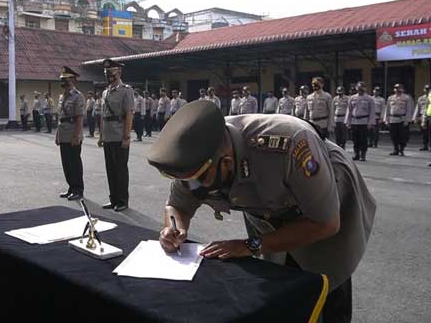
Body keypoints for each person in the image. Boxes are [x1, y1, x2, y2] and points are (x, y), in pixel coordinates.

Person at [147, 101, 376, 323]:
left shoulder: (289, 144)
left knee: (327, 278)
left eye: (197, 182)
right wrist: (173, 228)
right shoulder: (195, 159)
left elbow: (325, 223)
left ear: (226, 163)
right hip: (266, 206)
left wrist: (249, 246)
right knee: (278, 283)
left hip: (323, 190)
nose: (193, 187)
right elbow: (178, 206)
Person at [98, 59, 134, 212]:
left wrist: (126, 137)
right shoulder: (106, 92)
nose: (108, 75)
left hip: (119, 135)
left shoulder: (126, 90)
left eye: (111, 72)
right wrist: (101, 136)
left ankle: (122, 201)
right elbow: (102, 116)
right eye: (107, 72)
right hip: (108, 135)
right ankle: (113, 199)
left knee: (120, 169)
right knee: (110, 169)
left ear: (119, 72)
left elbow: (129, 114)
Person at [55, 66, 85, 201]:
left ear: (72, 80)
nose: (64, 82)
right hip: (63, 133)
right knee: (66, 163)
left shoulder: (78, 96)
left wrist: (77, 135)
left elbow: (79, 118)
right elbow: (60, 117)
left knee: (74, 163)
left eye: (66, 79)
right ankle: (71, 188)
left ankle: (78, 189)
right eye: (62, 80)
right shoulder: (62, 96)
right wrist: (57, 134)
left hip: (73, 133)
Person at [345, 82, 375, 162]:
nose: (360, 90)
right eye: (359, 89)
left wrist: (370, 123)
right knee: (355, 139)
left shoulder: (369, 98)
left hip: (364, 122)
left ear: (365, 89)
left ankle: (363, 155)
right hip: (354, 121)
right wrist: (348, 122)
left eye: (362, 89)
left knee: (363, 139)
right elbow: (349, 111)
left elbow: (372, 112)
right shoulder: (352, 98)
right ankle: (356, 154)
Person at [384, 84, 414, 156]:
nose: (397, 89)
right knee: (393, 135)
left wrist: (407, 120)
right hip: (393, 119)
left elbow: (409, 109)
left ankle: (402, 148)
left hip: (402, 119)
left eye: (399, 88)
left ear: (402, 89)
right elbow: (387, 109)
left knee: (403, 136)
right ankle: (396, 149)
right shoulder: (390, 98)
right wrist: (386, 119)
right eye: (396, 88)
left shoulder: (407, 98)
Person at [413, 84, 430, 151]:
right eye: (426, 89)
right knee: (424, 132)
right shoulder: (421, 98)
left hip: (429, 116)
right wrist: (415, 118)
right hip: (422, 116)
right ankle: (425, 145)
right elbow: (418, 108)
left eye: (428, 89)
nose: (427, 90)